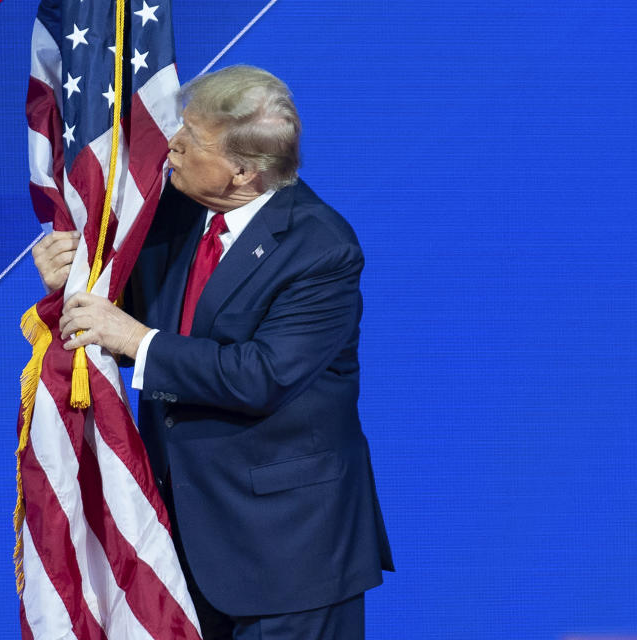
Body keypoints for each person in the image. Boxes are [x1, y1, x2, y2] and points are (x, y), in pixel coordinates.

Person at [33, 65, 393, 640]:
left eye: (191, 139)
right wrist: (74, 276)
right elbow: (131, 311)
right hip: (178, 541)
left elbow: (262, 375)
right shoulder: (169, 214)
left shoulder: (320, 248)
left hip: (288, 557)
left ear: (243, 172)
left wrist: (132, 338)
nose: (170, 144)